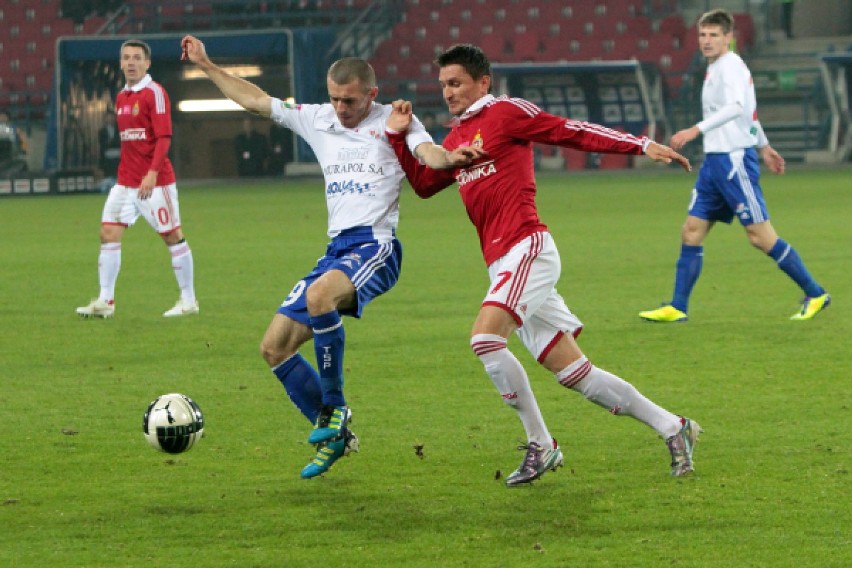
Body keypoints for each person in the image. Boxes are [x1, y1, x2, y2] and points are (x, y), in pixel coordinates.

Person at [385, 43, 701, 486]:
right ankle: (674, 427)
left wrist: (641, 144)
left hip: (527, 248)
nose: (448, 93)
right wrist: (399, 137)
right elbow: (422, 184)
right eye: (442, 85)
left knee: (484, 340)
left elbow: (570, 131)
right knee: (575, 374)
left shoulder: (507, 113)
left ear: (483, 82)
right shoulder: (455, 140)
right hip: (502, 265)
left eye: (455, 83)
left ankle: (542, 443)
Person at [180, 34, 480, 479]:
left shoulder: (395, 121)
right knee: (274, 348)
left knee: (320, 297)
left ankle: (336, 409)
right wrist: (207, 66)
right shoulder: (319, 119)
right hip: (336, 249)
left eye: (350, 100)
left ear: (371, 95)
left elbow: (426, 152)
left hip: (376, 246)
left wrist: (451, 157)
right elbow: (258, 101)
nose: (340, 108)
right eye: (335, 98)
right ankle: (337, 436)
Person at [639, 9, 829, 324]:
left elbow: (737, 108)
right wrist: (765, 146)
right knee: (691, 231)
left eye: (714, 35)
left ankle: (815, 292)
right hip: (714, 163)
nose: (707, 41)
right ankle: (678, 306)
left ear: (729, 37)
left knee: (760, 237)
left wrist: (694, 130)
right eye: (703, 35)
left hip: (733, 161)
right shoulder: (716, 68)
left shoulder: (732, 67)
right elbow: (750, 114)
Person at [76, 39, 198, 319]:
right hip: (125, 182)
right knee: (108, 233)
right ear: (120, 63)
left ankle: (189, 300)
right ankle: (106, 301)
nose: (131, 63)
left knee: (172, 236)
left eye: (136, 58)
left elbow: (164, 137)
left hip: (155, 182)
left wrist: (152, 173)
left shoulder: (155, 93)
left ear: (147, 63)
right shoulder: (121, 97)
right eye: (126, 58)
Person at [98, 106, 121, 189]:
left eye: (112, 117)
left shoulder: (119, 130)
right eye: (108, 117)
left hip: (118, 158)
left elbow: (120, 143)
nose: (110, 119)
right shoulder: (102, 131)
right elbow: (102, 147)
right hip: (107, 160)